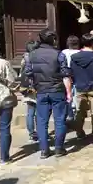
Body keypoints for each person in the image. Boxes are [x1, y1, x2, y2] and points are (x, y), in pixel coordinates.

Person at [25, 29, 72, 159]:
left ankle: (44, 150)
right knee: (59, 120)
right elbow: (65, 74)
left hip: (41, 91)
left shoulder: (32, 55)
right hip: (57, 90)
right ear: (53, 40)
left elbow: (28, 73)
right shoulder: (59, 54)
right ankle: (59, 148)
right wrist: (69, 92)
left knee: (41, 121)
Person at [70, 33, 93, 141]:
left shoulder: (74, 57)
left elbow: (71, 72)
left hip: (79, 87)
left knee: (80, 111)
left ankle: (79, 133)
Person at [0, 55, 18, 165]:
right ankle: (4, 158)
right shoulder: (3, 63)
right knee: (5, 128)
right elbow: (12, 82)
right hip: (4, 98)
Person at [20, 40, 39, 142]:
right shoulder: (37, 58)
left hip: (27, 88)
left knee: (30, 112)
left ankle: (32, 133)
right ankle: (40, 132)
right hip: (37, 87)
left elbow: (21, 74)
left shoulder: (24, 59)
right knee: (39, 112)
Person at [61, 35, 80, 121]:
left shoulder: (63, 52)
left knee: (67, 95)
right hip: (76, 75)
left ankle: (69, 114)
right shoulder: (79, 53)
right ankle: (76, 113)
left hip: (65, 76)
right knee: (75, 95)